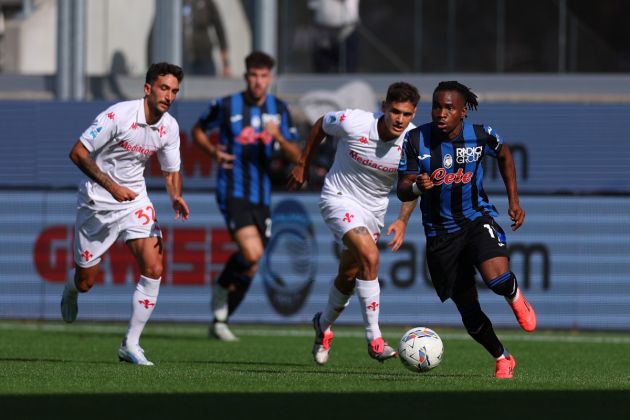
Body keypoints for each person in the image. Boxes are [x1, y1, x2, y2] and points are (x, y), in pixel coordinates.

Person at [396, 81, 537, 379]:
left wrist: (514, 201)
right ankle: (502, 357)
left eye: (449, 108)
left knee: (497, 279)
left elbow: (504, 155)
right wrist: (416, 187)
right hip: (439, 235)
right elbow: (401, 189)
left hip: (475, 218)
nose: (441, 113)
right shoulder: (415, 140)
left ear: (463, 112)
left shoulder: (481, 135)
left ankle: (513, 295)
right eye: (437, 106)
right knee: (468, 309)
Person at [60, 63, 190, 366]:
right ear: (147, 89)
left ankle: (130, 344)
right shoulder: (118, 115)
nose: (169, 96)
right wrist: (111, 186)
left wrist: (176, 197)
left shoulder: (169, 127)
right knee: (86, 282)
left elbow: (171, 172)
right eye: (163, 88)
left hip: (134, 201)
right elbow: (77, 152)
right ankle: (71, 287)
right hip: (98, 203)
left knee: (154, 266)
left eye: (174, 91)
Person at [288, 82, 420, 364]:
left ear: (413, 114)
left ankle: (323, 325)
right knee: (371, 256)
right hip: (338, 197)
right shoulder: (354, 122)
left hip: (374, 211)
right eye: (395, 111)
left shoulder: (413, 142)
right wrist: (303, 163)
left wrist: (402, 220)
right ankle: (375, 338)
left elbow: (412, 187)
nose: (399, 119)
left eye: (406, 114)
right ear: (384, 107)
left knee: (349, 276)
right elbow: (322, 124)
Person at [192, 51, 301, 341]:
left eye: (263, 76)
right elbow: (198, 131)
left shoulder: (280, 109)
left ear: (270, 78)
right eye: (253, 75)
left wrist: (278, 136)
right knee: (252, 253)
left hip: (262, 196)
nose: (258, 81)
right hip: (233, 190)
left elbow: (297, 155)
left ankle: (220, 321)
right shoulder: (228, 106)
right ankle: (219, 292)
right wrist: (213, 151)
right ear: (246, 76)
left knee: (253, 264)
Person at [308, 0, 360, 73]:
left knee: (349, 73)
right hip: (322, 31)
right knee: (322, 73)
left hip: (348, 31)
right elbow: (311, 5)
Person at [182, 0, 231, 77]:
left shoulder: (207, 3)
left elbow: (220, 31)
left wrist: (226, 64)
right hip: (181, 59)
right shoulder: (175, 4)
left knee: (207, 86)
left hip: (204, 59)